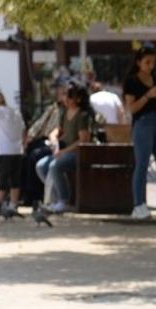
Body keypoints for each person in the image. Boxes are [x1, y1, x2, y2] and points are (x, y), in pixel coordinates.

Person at [35, 81, 95, 214]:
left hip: (77, 153)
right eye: (65, 95)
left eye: (69, 96)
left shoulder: (82, 115)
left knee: (55, 166)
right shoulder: (65, 112)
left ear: (78, 98)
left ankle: (64, 200)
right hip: (62, 151)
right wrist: (54, 138)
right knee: (41, 166)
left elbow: (83, 140)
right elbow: (57, 130)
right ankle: (55, 198)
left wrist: (63, 151)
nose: (65, 99)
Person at [123, 43, 156, 220]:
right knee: (142, 165)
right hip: (142, 124)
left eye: (153, 62)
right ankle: (139, 204)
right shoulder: (132, 81)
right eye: (147, 62)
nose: (151, 66)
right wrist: (148, 96)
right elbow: (131, 108)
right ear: (139, 62)